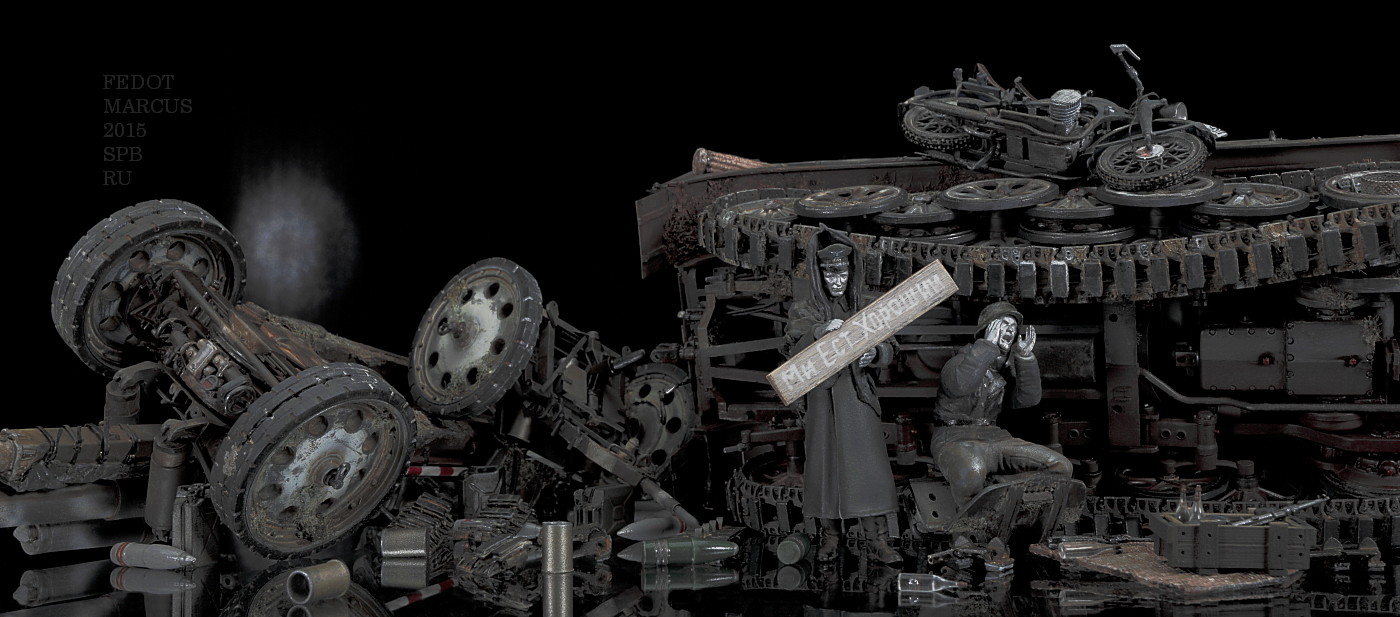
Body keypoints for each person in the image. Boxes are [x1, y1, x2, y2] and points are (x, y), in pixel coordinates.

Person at [786, 243, 901, 564]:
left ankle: (878, 539)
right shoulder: (805, 309)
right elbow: (792, 349)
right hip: (821, 400)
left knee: (868, 469)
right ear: (819, 275)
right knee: (825, 470)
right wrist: (818, 332)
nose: (837, 281)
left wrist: (875, 353)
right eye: (829, 274)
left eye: (842, 273)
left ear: (852, 273)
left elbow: (891, 343)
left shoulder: (865, 304)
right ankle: (830, 538)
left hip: (856, 394)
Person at [931, 302, 1072, 508]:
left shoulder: (1003, 373)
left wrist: (1024, 357)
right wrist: (987, 345)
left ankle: (1000, 492)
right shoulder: (958, 363)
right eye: (1003, 324)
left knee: (1060, 466)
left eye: (1013, 327)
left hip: (995, 438)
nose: (1010, 330)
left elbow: (1027, 399)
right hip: (953, 439)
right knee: (972, 470)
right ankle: (973, 524)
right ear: (987, 329)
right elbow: (961, 386)